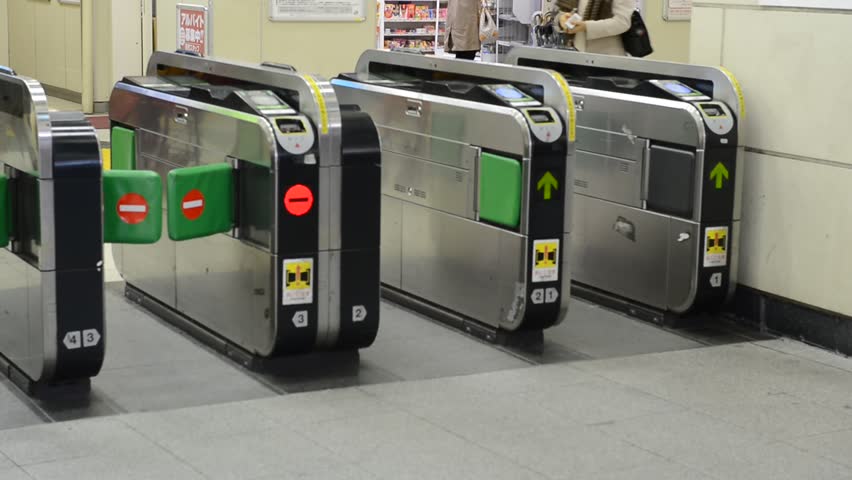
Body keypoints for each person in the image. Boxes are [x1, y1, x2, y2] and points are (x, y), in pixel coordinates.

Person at [555, 0, 634, 56]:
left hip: (606, 59)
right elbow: (558, 12)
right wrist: (561, 19)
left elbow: (622, 22)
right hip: (574, 55)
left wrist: (587, 26)